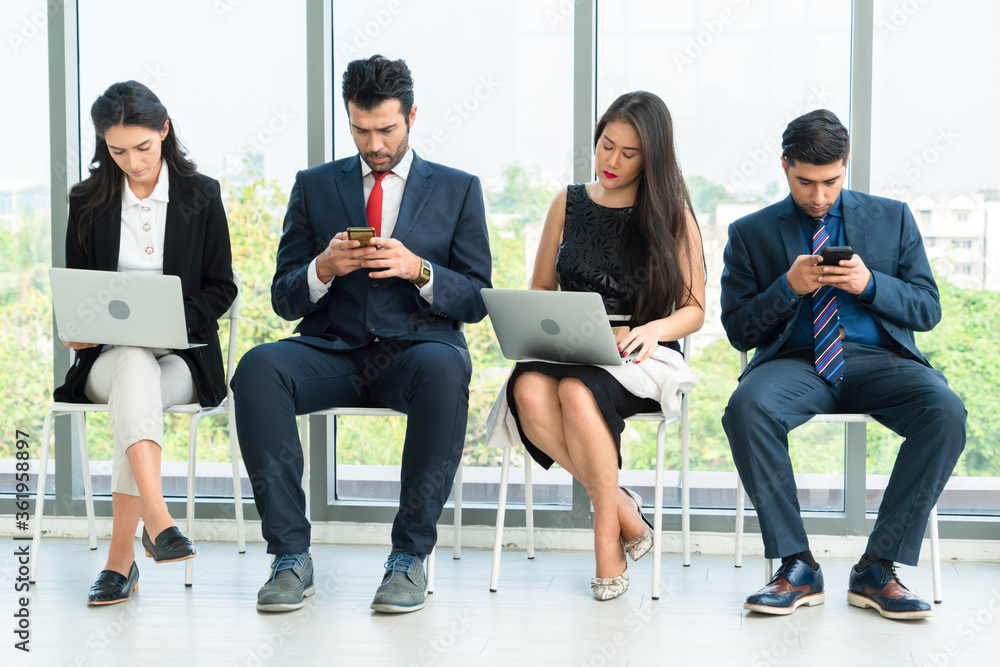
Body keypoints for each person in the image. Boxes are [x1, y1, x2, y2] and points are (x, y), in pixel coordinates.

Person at [230, 55, 492, 614]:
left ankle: (408, 559)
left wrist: (419, 270)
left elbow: (475, 300)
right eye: (360, 129)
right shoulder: (314, 185)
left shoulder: (458, 189)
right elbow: (283, 298)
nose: (373, 144)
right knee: (257, 366)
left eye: (386, 130)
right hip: (334, 351)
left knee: (447, 368)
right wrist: (322, 268)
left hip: (417, 354)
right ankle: (290, 557)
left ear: (412, 116)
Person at [721, 109, 966, 620]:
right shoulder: (751, 232)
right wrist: (787, 287)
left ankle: (878, 567)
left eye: (830, 181)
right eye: (805, 182)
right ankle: (797, 566)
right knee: (746, 406)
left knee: (945, 410)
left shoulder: (892, 216)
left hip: (880, 361)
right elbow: (739, 330)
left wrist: (869, 284)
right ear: (784, 166)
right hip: (797, 364)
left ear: (846, 166)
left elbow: (927, 308)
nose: (818, 197)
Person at [506, 91, 705, 600]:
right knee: (527, 389)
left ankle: (604, 541)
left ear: (652, 157)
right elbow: (541, 292)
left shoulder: (673, 216)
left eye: (628, 153)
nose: (611, 161)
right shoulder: (567, 203)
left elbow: (695, 309)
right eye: (605, 145)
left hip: (638, 349)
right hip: (569, 342)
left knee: (576, 391)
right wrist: (545, 326)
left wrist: (652, 330)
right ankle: (620, 506)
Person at [54, 81, 237, 605]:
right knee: (132, 363)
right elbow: (79, 294)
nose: (132, 162)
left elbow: (221, 287)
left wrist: (171, 322)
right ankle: (157, 518)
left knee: (136, 399)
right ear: (103, 145)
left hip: (181, 359)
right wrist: (79, 326)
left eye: (142, 147)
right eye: (116, 151)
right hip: (106, 362)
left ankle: (121, 561)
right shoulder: (87, 201)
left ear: (164, 129)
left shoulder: (201, 195)